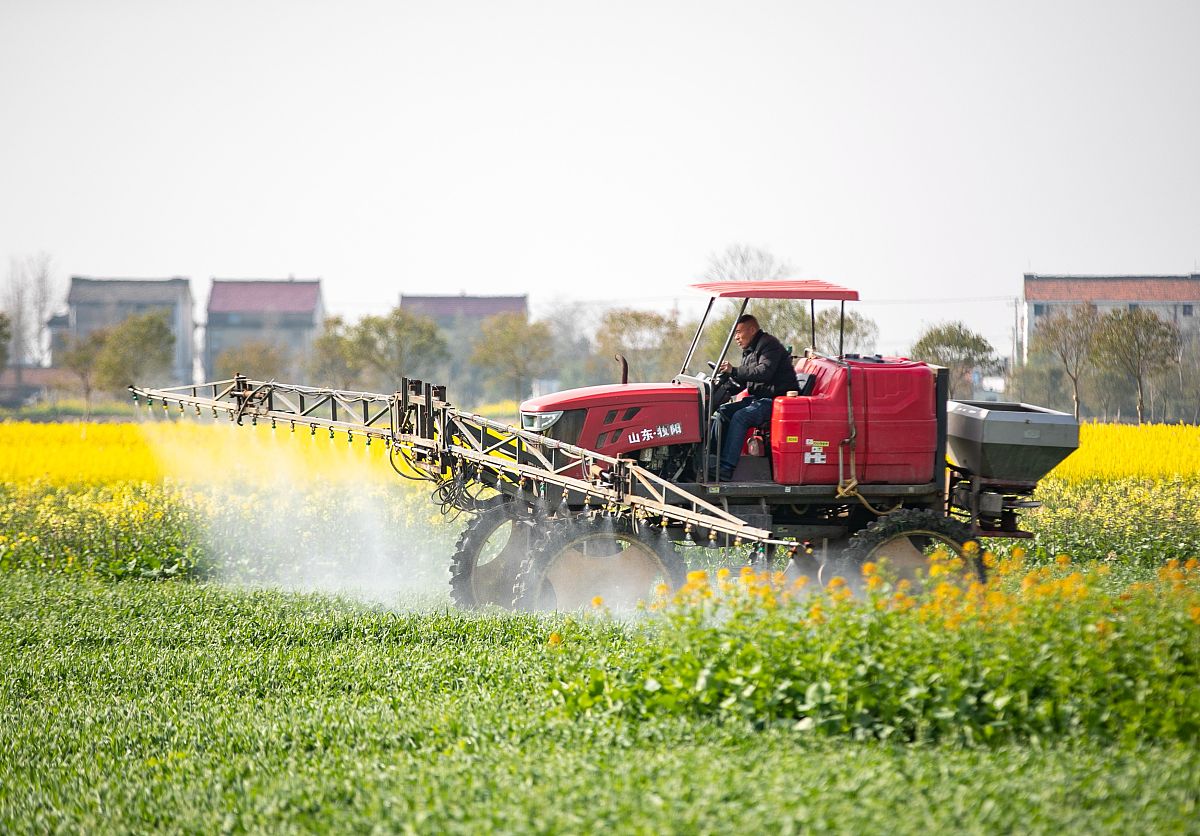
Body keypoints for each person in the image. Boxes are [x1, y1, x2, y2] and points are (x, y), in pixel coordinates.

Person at [711, 314, 799, 480]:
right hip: (758, 398)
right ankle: (712, 459)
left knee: (741, 417)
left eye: (738, 332)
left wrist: (734, 370)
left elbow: (764, 372)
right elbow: (744, 379)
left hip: (775, 401)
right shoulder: (749, 350)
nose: (736, 337)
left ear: (752, 330)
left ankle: (726, 468)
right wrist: (722, 387)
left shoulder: (769, 345)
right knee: (722, 412)